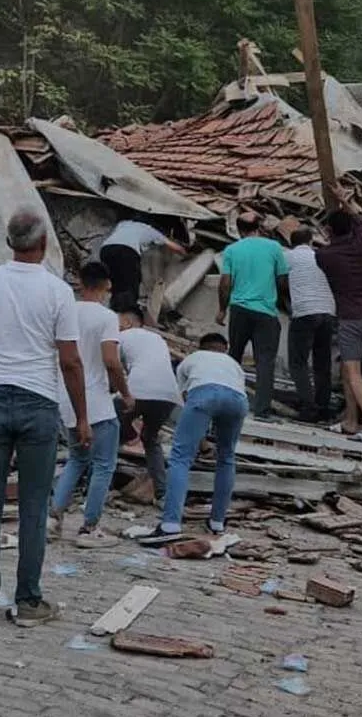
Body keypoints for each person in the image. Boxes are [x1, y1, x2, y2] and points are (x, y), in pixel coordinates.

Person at [0, 208, 87, 628]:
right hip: (39, 402)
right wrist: (82, 417)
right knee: (32, 506)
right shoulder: (58, 292)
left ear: (8, 243)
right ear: (44, 243)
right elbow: (69, 361)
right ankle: (29, 602)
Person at [50, 261, 132, 541]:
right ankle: (90, 525)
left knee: (77, 459)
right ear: (107, 285)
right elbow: (111, 360)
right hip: (96, 400)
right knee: (104, 464)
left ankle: (54, 515)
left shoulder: (65, 311)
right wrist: (126, 392)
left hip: (65, 398)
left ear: (80, 283)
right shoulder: (107, 317)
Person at [140, 333, 249, 544]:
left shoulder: (190, 361)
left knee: (181, 457)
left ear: (200, 348)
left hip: (203, 393)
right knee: (226, 458)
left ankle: (171, 524)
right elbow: (235, 391)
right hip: (238, 400)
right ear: (224, 349)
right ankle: (217, 522)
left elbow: (186, 399)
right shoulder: (234, 364)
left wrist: (199, 440)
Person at [315, 187, 362, 441]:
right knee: (347, 369)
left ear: (329, 232)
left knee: (354, 374)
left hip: (352, 320)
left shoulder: (324, 256)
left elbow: (330, 244)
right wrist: (345, 201)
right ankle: (351, 421)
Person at [217, 214, 289, 419]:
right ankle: (262, 410)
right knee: (265, 362)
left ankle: (226, 403)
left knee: (234, 357)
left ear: (239, 230)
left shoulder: (232, 250)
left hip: (239, 309)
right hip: (266, 312)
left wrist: (222, 309)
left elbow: (225, 283)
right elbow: (282, 281)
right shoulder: (274, 248)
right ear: (259, 227)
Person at [117, 306, 181, 501]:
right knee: (151, 438)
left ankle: (96, 486)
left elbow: (113, 369)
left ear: (127, 323)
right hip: (169, 394)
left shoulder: (121, 338)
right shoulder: (157, 339)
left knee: (111, 431)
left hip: (139, 389)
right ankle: (161, 491)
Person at [285, 226, 337, 424]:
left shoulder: (288, 257)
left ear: (292, 242)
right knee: (322, 363)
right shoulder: (320, 256)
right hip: (328, 311)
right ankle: (323, 407)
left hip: (305, 311)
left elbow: (280, 280)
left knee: (298, 362)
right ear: (310, 241)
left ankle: (308, 407)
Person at [92, 218, 186, 310]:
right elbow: (176, 247)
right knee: (131, 284)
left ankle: (114, 309)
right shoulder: (150, 230)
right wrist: (186, 255)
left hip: (105, 250)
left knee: (116, 283)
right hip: (126, 251)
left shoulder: (124, 223)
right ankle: (127, 313)